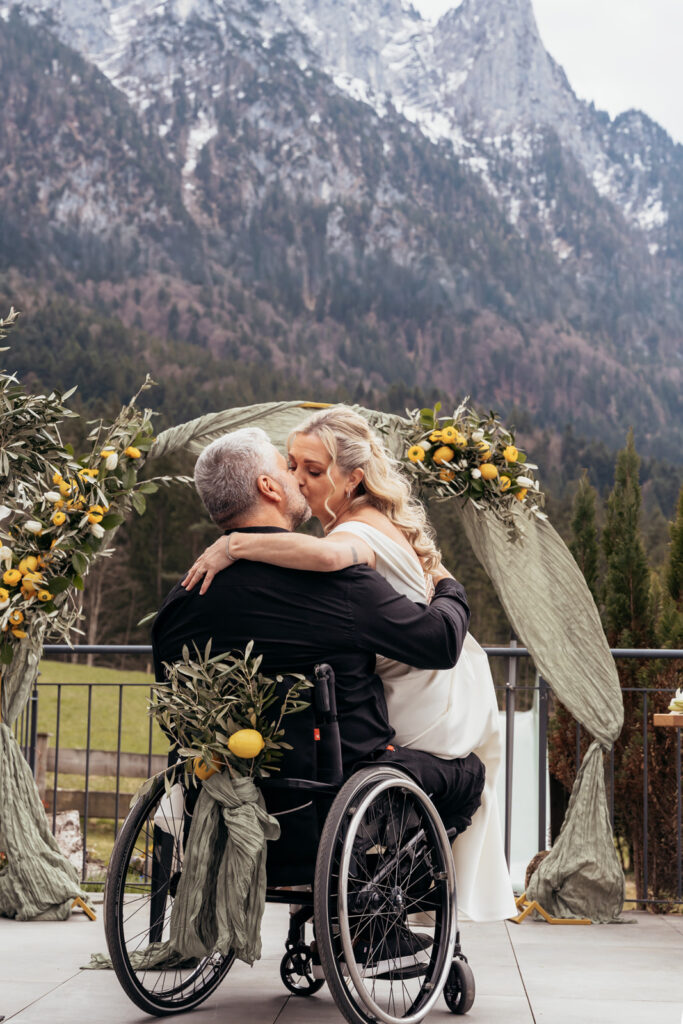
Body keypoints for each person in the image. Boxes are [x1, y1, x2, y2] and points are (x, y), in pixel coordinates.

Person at [183, 407, 516, 922]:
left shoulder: (353, 536)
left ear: (353, 478)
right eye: (292, 465)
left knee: (394, 766)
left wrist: (235, 544)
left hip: (423, 697)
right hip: (387, 702)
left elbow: (328, 558)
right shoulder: (349, 536)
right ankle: (375, 894)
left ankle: (378, 899)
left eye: (313, 470)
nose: (297, 479)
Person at [153, 424, 484, 841]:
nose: (297, 479)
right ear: (269, 488)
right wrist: (448, 587)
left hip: (215, 810)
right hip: (328, 808)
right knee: (469, 774)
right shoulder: (340, 585)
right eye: (287, 468)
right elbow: (439, 642)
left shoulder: (178, 605)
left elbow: (174, 715)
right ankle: (393, 877)